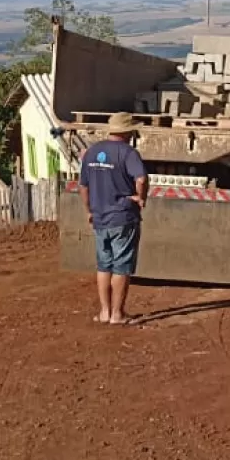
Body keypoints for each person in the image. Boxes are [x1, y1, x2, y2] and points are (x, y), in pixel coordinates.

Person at [79, 112, 149, 325]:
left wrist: (89, 210)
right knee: (121, 266)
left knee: (103, 266)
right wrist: (140, 197)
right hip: (123, 217)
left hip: (100, 218)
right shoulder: (128, 153)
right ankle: (117, 314)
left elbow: (83, 186)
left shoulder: (92, 152)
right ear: (127, 131)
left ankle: (104, 312)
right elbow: (142, 178)